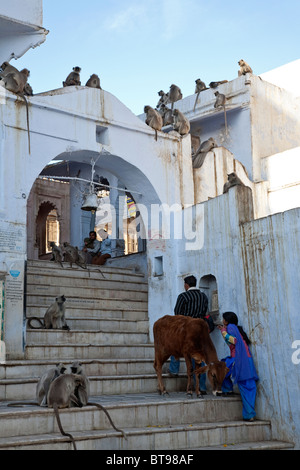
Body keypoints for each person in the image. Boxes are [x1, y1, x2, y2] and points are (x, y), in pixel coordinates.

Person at [168, 275, 209, 394]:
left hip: (186, 329)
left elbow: (177, 314)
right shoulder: (204, 297)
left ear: (186, 284)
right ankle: (202, 387)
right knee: (199, 357)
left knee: (176, 348)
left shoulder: (183, 296)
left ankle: (174, 370)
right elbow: (205, 312)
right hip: (200, 330)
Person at [217, 311, 259, 421]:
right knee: (249, 387)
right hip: (247, 360)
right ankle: (250, 414)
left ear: (226, 321)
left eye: (223, 319)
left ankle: (227, 389)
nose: (222, 320)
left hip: (239, 360)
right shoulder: (236, 328)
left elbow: (233, 340)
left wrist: (223, 332)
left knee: (222, 368)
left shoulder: (230, 327)